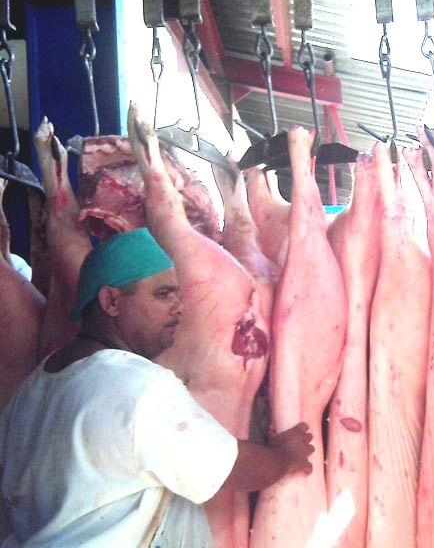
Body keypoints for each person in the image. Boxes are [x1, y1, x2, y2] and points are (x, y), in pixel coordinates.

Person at [0, 227, 313, 547]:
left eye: (177, 294)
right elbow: (231, 469)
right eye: (163, 294)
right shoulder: (136, 386)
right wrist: (284, 455)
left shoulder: (35, 386)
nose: (179, 306)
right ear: (110, 301)